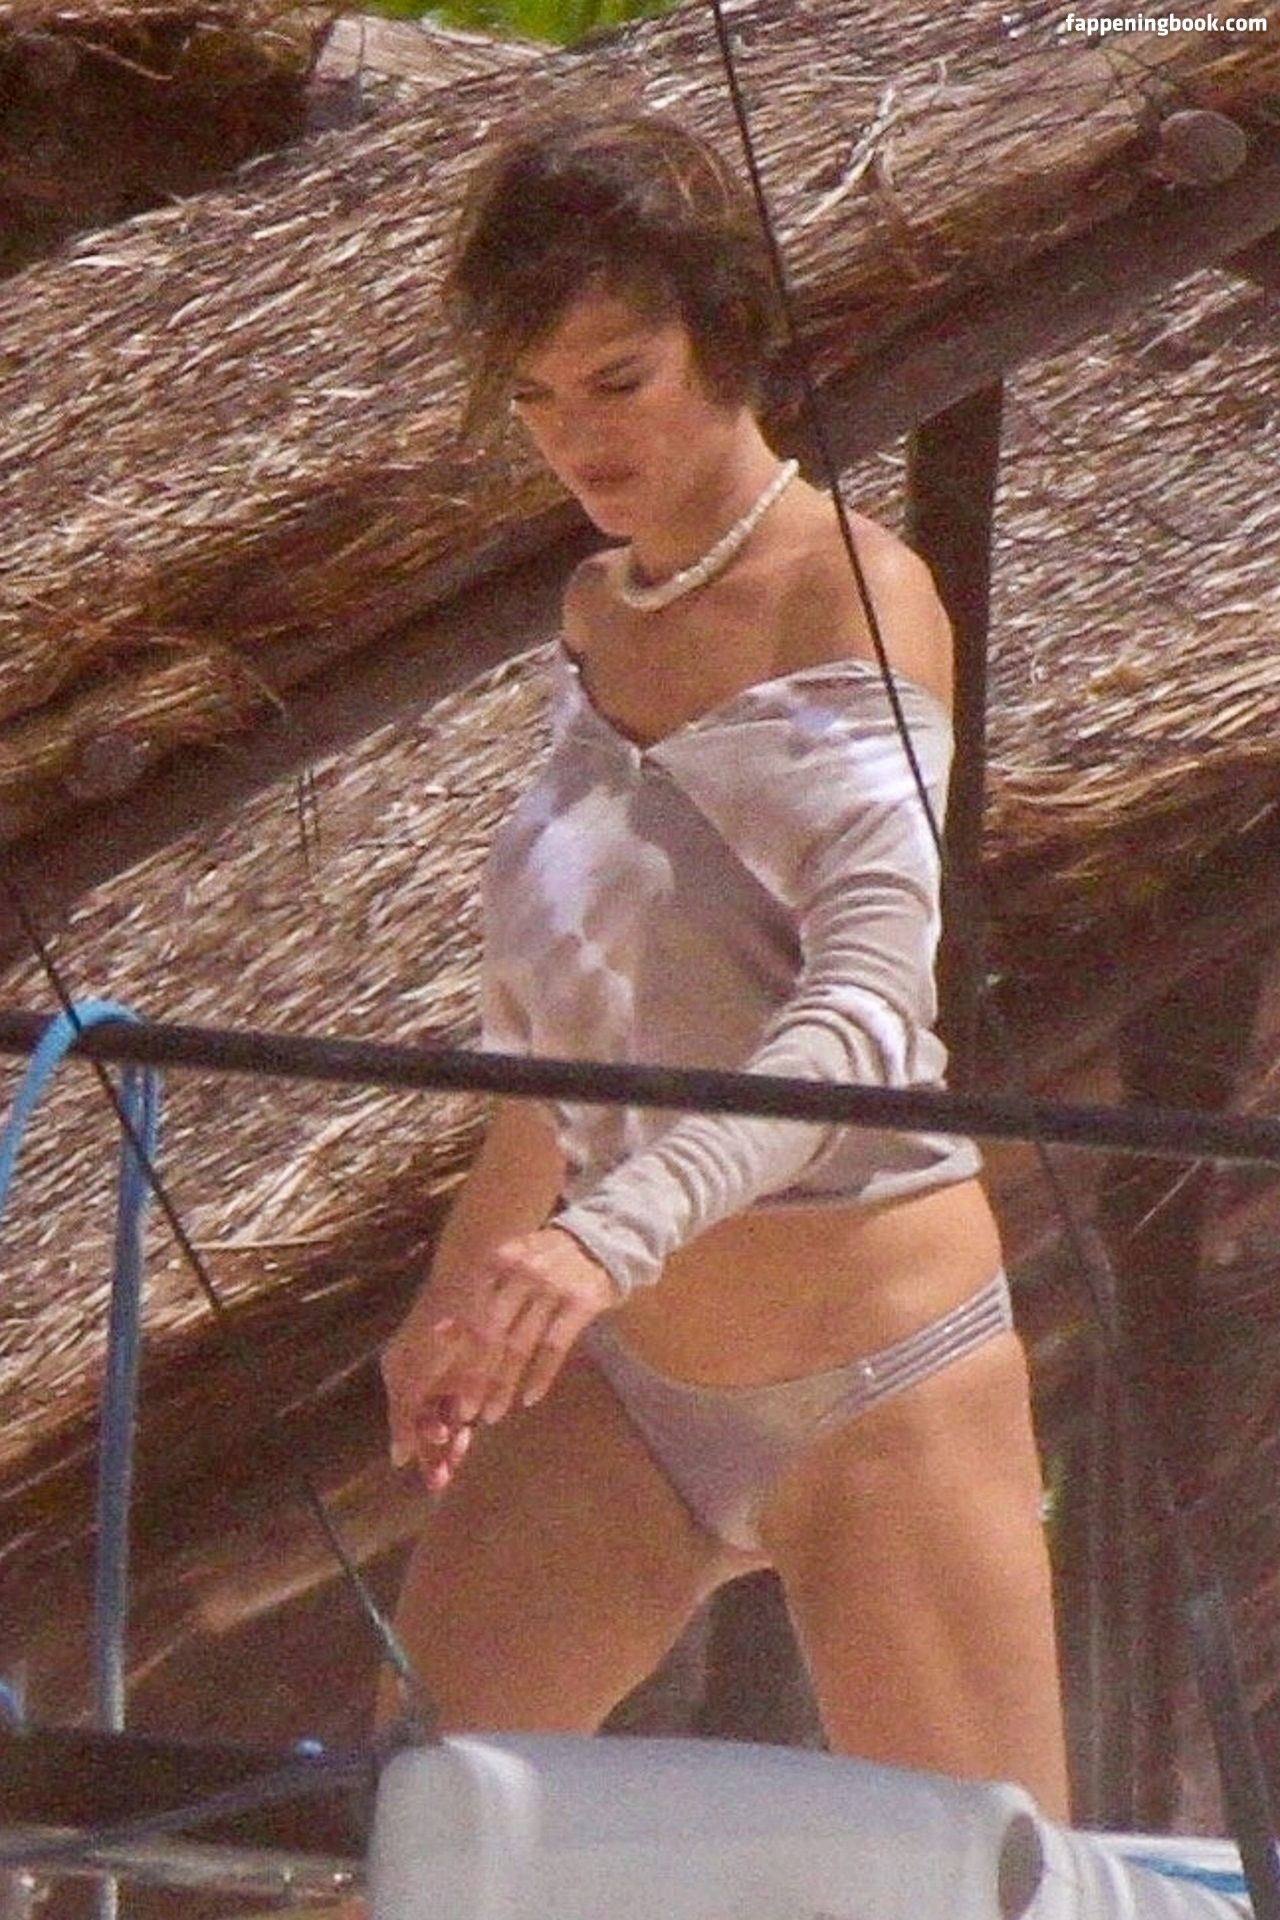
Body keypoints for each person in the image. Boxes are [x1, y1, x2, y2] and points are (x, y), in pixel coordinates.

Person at [379, 104, 1070, 1818]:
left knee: (993, 1895)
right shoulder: (595, 611)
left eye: (620, 380)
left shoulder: (853, 594)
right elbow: (569, 1025)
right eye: (538, 399)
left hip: (878, 1370)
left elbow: (864, 1019)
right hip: (626, 1380)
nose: (579, 437)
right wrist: (463, 1281)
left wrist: (598, 1238)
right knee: (386, 1845)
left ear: (726, 341)